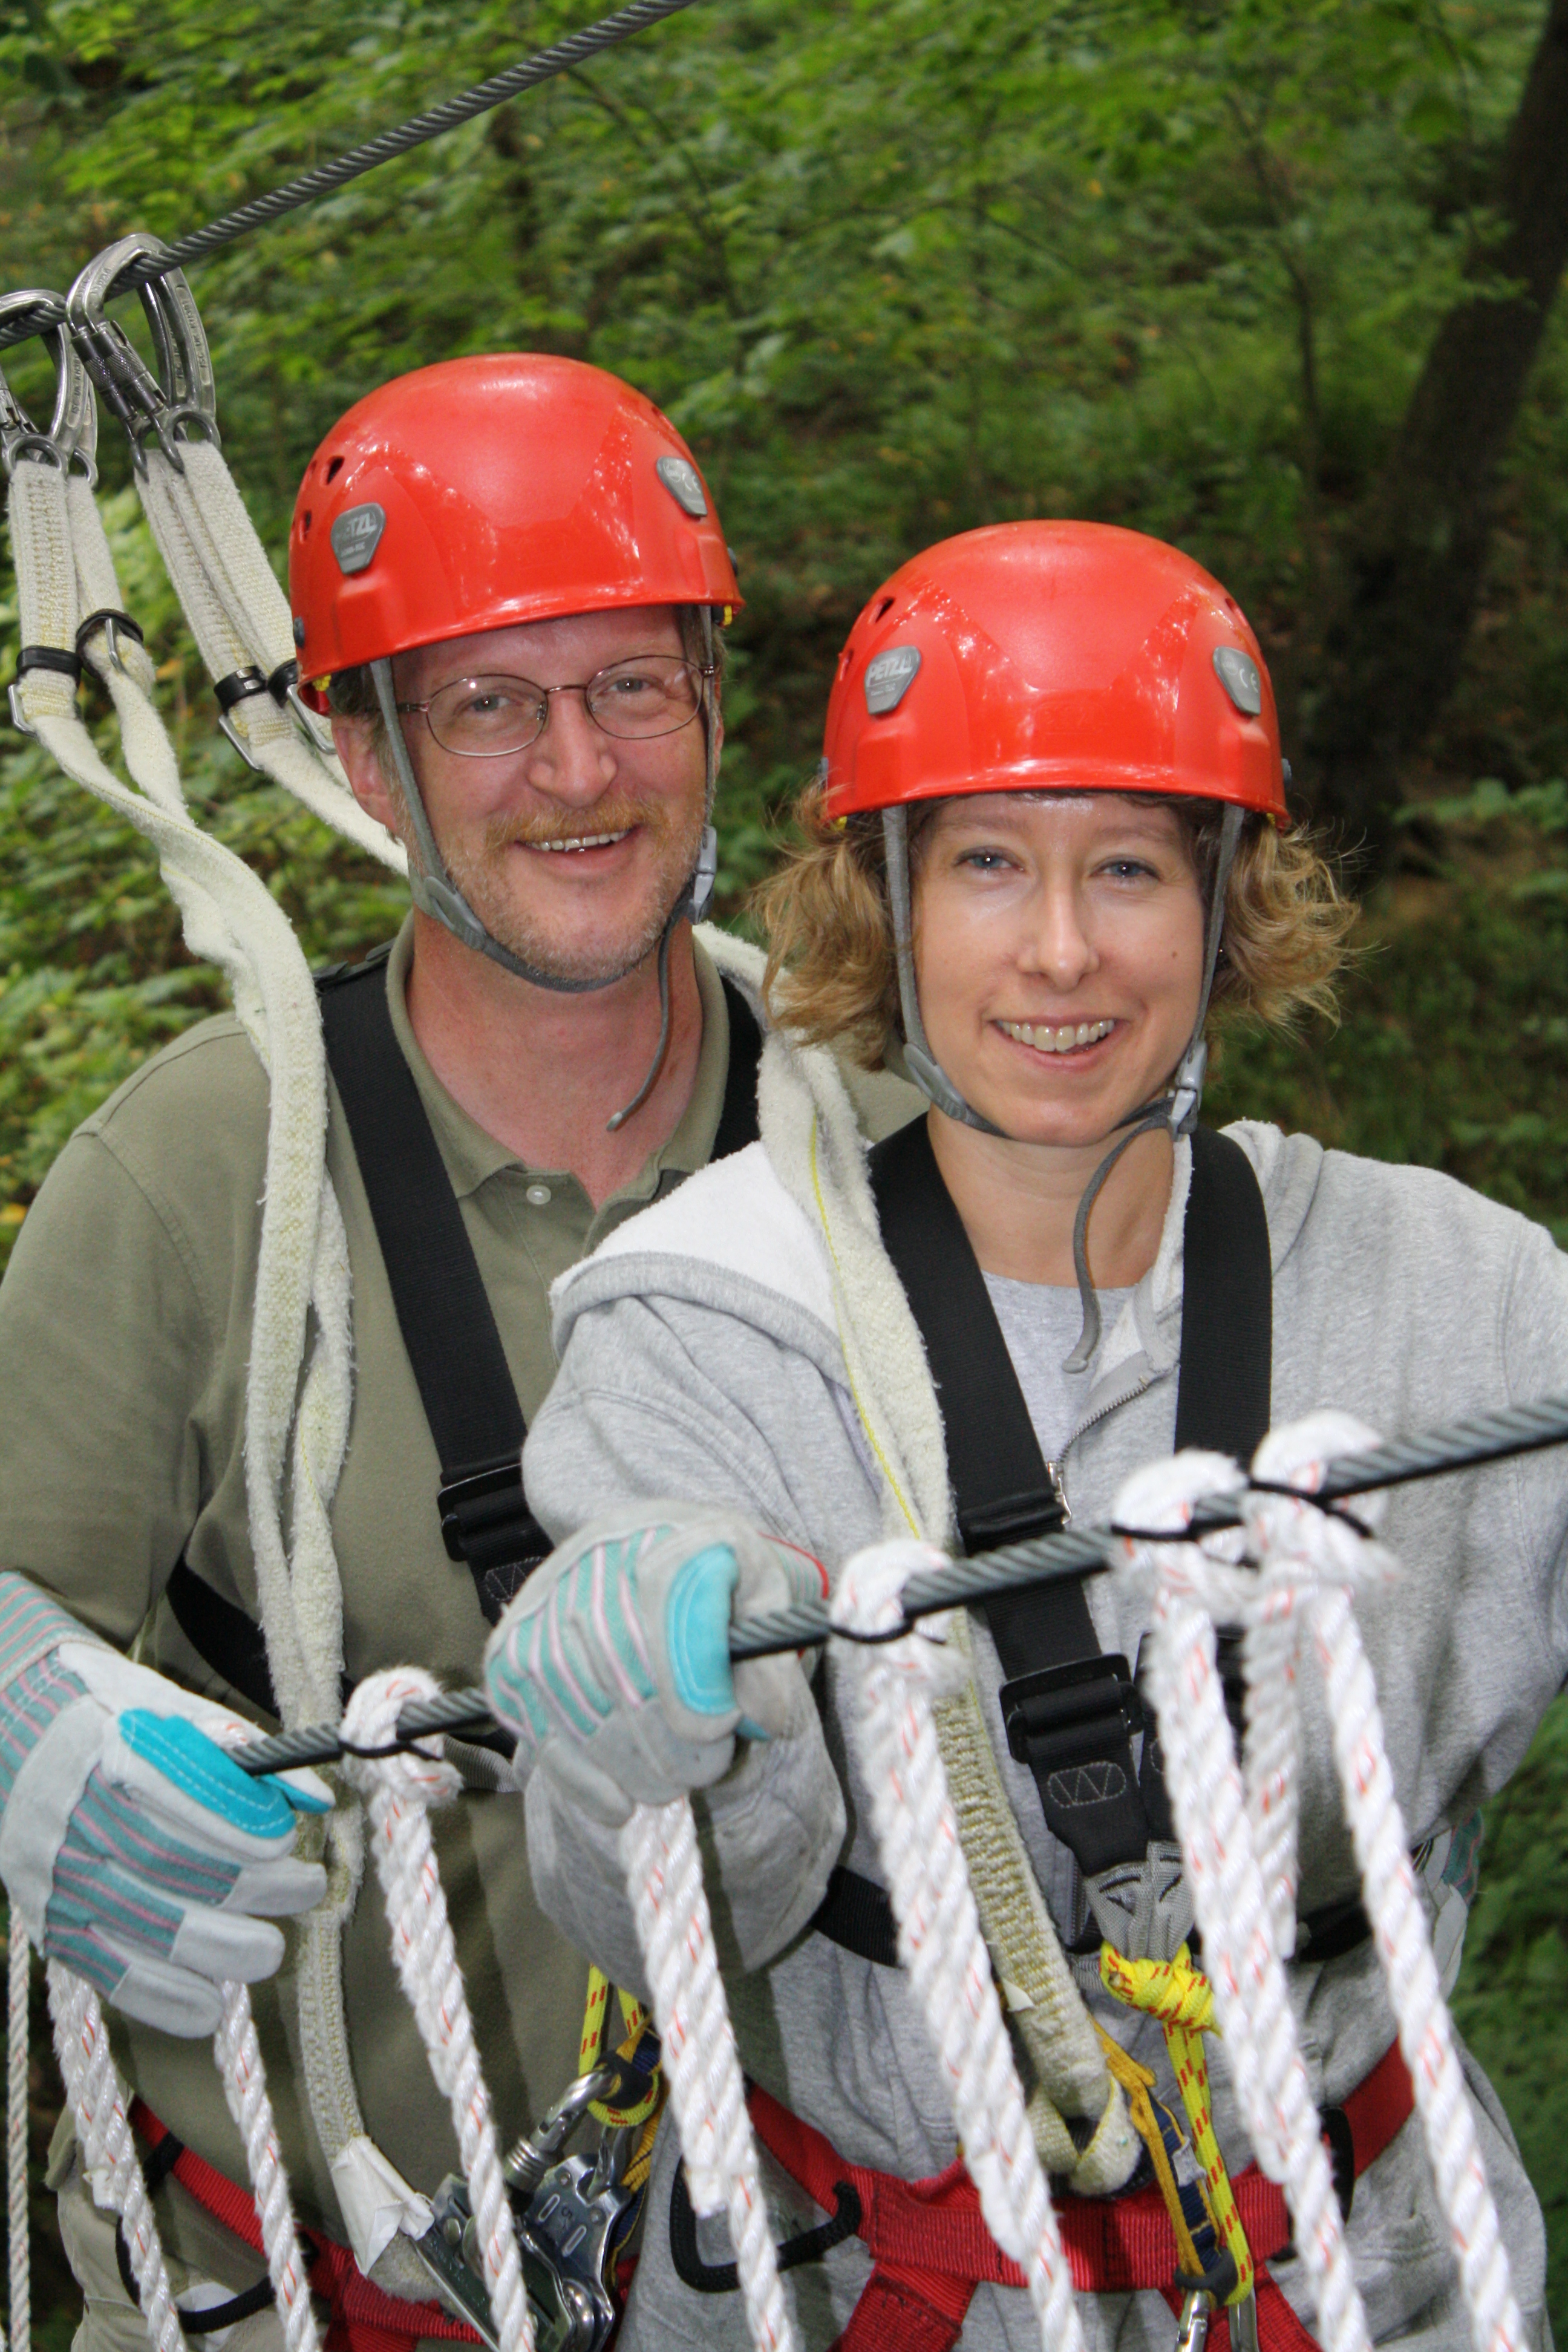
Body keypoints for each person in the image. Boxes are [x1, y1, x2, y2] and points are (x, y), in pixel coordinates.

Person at [483, 521, 1568, 2351]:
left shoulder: (1469, 1302)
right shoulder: (706, 1322)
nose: (1061, 953)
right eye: (988, 863)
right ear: (882, 899)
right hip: (881, 2295)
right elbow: (654, 1919)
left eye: (1129, 866)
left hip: (1373, 2282)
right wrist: (652, 1744)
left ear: (1227, 901)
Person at [0, 350, 916, 2352]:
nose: (577, 773)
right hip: (308, 2276)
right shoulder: (196, 1174)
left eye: (628, 689)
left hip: (827, 2276)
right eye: (488, 706)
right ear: (363, 749)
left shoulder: (889, 1135)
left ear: (711, 704)